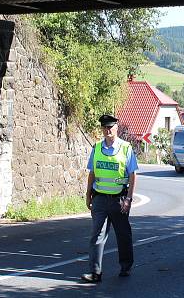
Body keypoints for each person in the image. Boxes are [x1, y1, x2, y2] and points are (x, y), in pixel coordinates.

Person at [81, 114, 138, 283]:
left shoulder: (126, 148)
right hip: (99, 199)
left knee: (123, 234)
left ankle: (126, 266)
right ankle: (95, 272)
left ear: (116, 128)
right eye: (105, 128)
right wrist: (88, 193)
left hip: (119, 199)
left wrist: (128, 199)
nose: (107, 130)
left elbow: (133, 175)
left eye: (110, 127)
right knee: (96, 235)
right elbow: (92, 173)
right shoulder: (97, 148)